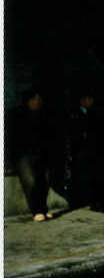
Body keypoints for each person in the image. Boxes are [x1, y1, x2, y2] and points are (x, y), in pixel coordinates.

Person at [11, 90, 54, 222]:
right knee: (30, 182)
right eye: (35, 99)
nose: (38, 101)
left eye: (39, 99)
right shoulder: (17, 114)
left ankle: (43, 208)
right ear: (28, 100)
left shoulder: (44, 114)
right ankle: (36, 210)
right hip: (24, 155)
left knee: (44, 182)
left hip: (42, 153)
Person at [67, 91, 104, 212]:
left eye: (91, 99)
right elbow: (73, 135)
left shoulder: (96, 113)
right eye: (88, 99)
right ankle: (93, 202)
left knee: (99, 177)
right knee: (88, 178)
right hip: (82, 151)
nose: (90, 102)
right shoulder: (74, 115)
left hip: (96, 150)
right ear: (82, 101)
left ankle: (102, 201)